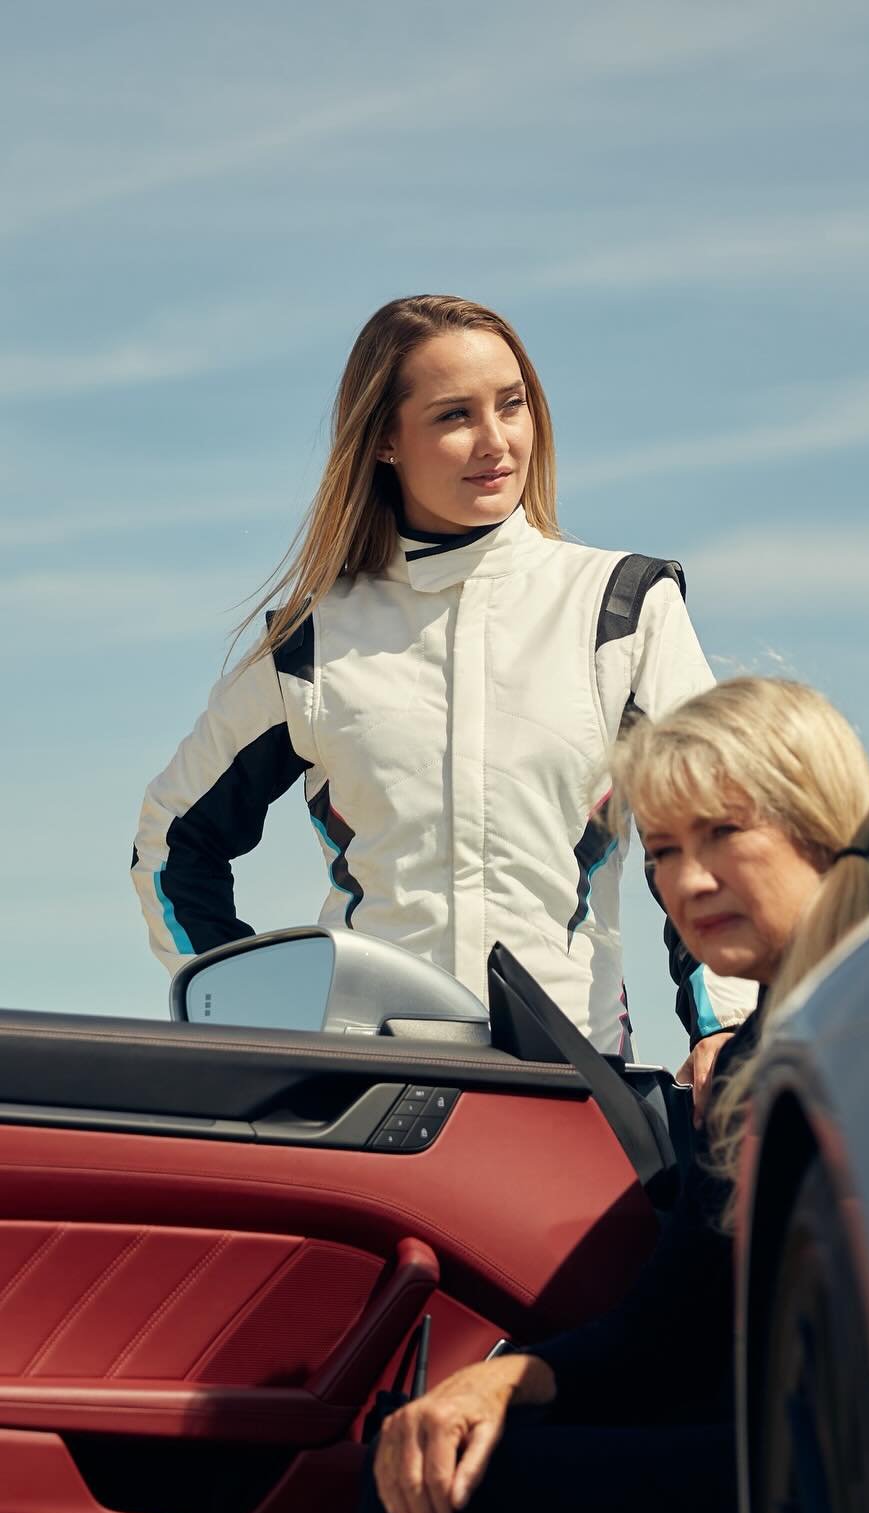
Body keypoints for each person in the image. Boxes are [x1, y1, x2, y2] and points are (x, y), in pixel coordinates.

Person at [234, 676, 869, 1513]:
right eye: (656, 852)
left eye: (722, 835)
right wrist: (505, 1385)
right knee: (431, 1457)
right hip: (773, 1475)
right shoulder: (750, 1061)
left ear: (821, 821)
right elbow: (669, 1325)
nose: (684, 882)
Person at [131, 294, 752, 1074]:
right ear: (385, 440)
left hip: (576, 1081)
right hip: (366, 1094)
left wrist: (725, 1031)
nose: (496, 442)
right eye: (455, 416)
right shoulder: (313, 640)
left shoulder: (622, 609)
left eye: (512, 405)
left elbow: (716, 832)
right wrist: (247, 1018)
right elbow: (170, 842)